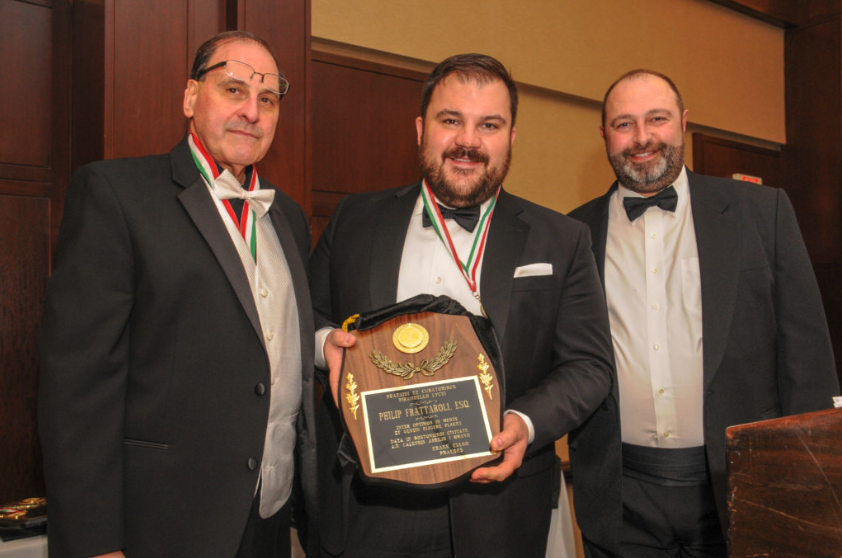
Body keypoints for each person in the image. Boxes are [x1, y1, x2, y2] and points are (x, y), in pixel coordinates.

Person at [310, 53, 614, 558]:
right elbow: (307, 316)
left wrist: (525, 423)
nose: (468, 141)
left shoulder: (562, 239)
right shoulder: (354, 219)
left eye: (488, 125)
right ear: (420, 128)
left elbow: (589, 365)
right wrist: (327, 348)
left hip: (501, 509)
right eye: (451, 120)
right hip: (371, 508)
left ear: (512, 137)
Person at [38, 31, 317, 558]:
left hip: (269, 521)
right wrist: (94, 542)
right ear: (191, 97)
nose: (251, 112)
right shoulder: (116, 195)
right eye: (234, 90)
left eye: (267, 99)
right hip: (161, 526)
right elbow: (77, 389)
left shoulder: (289, 219)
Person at [568, 69, 840, 558]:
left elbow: (808, 359)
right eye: (624, 124)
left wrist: (811, 477)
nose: (642, 137)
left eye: (658, 119)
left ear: (684, 124)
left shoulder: (763, 212)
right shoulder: (571, 234)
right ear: (604, 134)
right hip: (620, 495)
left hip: (745, 482)